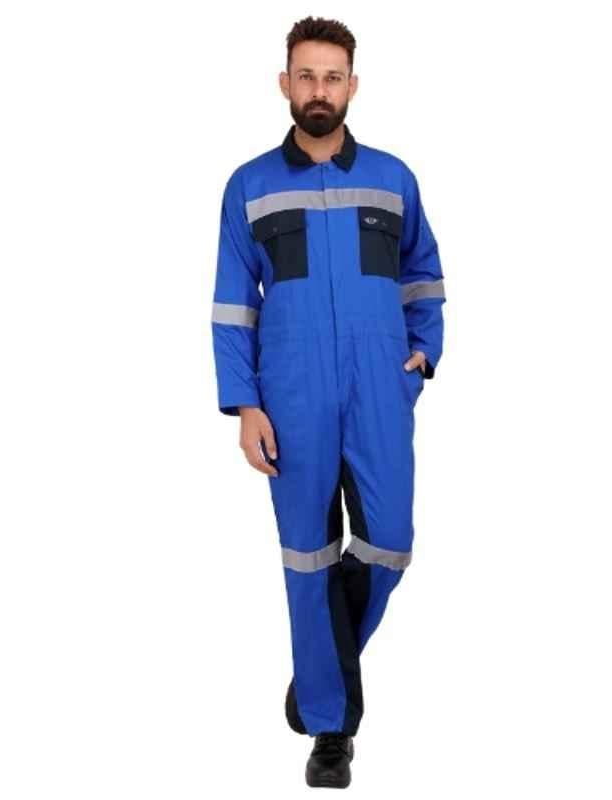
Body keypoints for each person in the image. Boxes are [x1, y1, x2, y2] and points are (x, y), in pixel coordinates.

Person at [210, 16, 446, 789]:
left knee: (392, 543)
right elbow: (233, 306)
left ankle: (322, 666)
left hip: (380, 387)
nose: (320, 90)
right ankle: (329, 728)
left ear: (353, 85)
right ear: (286, 83)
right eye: (306, 76)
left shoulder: (392, 177)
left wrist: (422, 352)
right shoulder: (249, 186)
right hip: (291, 395)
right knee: (308, 557)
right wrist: (245, 404)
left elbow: (424, 274)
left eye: (333, 77)